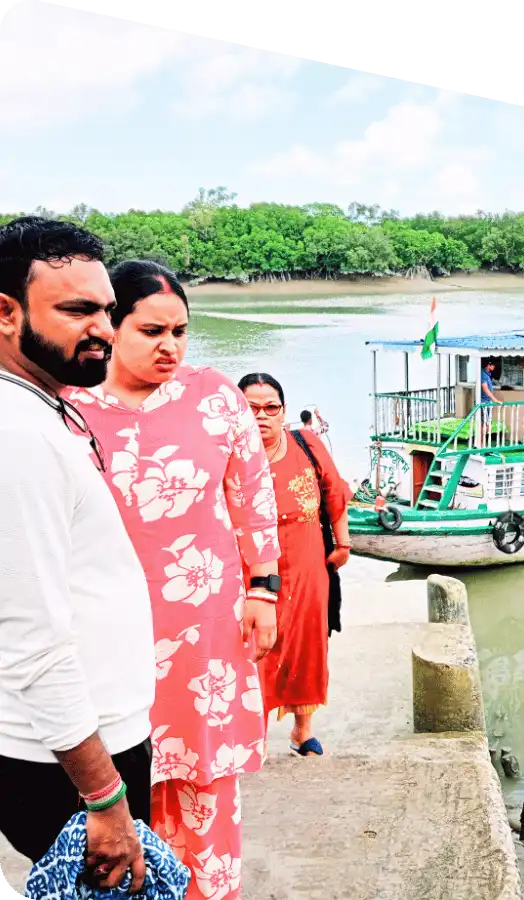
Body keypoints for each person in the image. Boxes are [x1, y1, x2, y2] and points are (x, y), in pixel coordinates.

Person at [64, 260, 281, 900]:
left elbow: (252, 496)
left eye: (181, 331)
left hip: (204, 626)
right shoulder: (70, 406)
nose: (170, 346)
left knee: (204, 774)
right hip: (106, 628)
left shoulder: (215, 396)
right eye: (152, 329)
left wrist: (263, 590)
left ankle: (208, 890)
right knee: (114, 775)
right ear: (111, 325)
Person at [0, 218, 156, 891]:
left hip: (77, 740)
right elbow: (31, 641)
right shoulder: (19, 438)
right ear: (6, 314)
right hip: (64, 760)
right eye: (77, 310)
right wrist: (104, 797)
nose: (104, 328)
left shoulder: (43, 411)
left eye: (108, 310)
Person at [237, 373, 352, 756]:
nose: (262, 416)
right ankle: (253, 732)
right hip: (249, 565)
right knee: (254, 647)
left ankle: (302, 731)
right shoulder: (227, 451)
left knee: (307, 644)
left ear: (283, 411)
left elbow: (335, 492)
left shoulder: (307, 444)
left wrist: (344, 542)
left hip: (305, 560)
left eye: (271, 408)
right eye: (252, 408)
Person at [480, 359, 503, 442]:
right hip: (483, 403)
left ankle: (483, 443)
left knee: (487, 424)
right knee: (484, 424)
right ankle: (481, 444)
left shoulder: (487, 374)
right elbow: (485, 389)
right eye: (493, 365)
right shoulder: (483, 374)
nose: (494, 366)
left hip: (487, 402)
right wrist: (496, 400)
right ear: (488, 365)